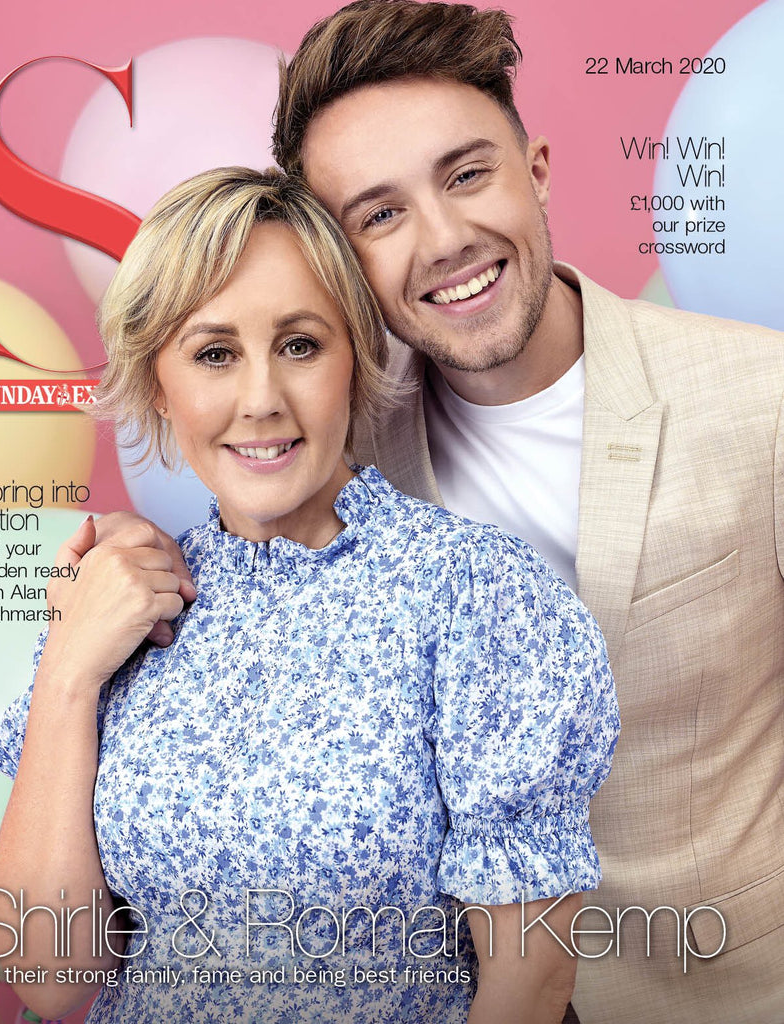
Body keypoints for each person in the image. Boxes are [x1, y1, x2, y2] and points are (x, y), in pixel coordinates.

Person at [91, 2, 784, 1020]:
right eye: (379, 215)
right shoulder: (328, 444)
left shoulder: (760, 399)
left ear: (536, 169)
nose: (445, 239)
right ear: (340, 264)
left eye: (466, 176)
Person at [0, 167, 618, 1024]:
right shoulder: (119, 606)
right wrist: (68, 669)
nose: (260, 401)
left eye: (299, 345)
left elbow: (530, 982)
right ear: (159, 384)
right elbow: (48, 975)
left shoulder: (470, 590)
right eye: (214, 354)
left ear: (354, 359)